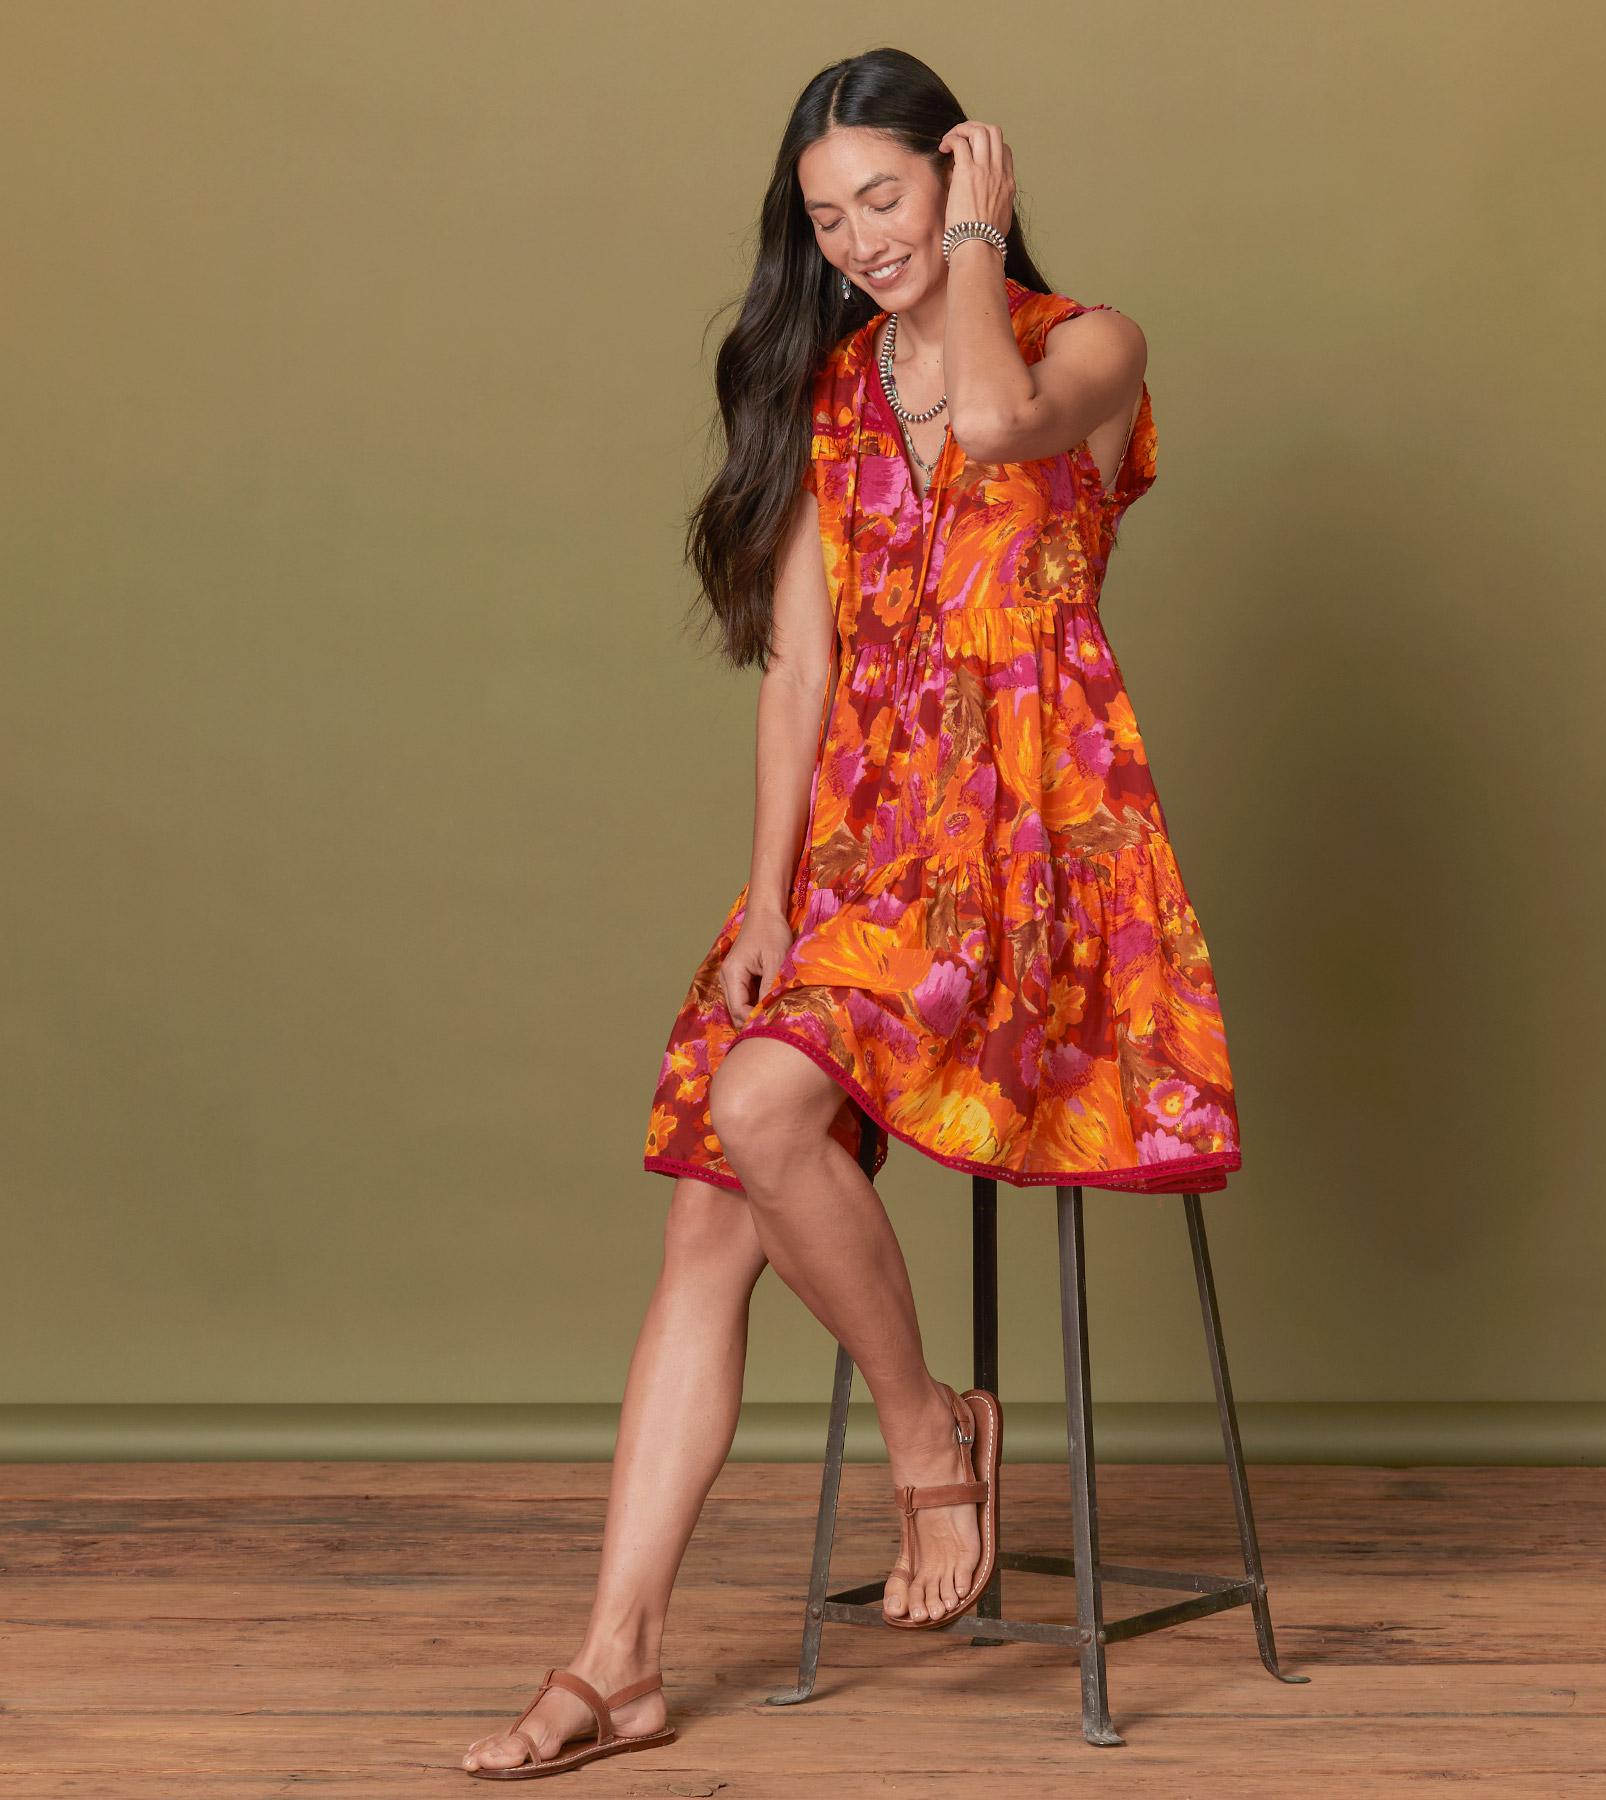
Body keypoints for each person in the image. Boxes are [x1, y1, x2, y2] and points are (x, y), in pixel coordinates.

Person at [463, 44, 1241, 1780]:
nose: (860, 239)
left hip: (1028, 851)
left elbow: (999, 427)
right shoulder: (828, 389)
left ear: (962, 176)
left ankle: (929, 1441)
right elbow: (800, 668)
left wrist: (975, 249)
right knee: (713, 1204)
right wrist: (765, 900)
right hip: (858, 856)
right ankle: (619, 1661)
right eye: (827, 220)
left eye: (885, 196)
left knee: (760, 1112)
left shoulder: (1087, 342)